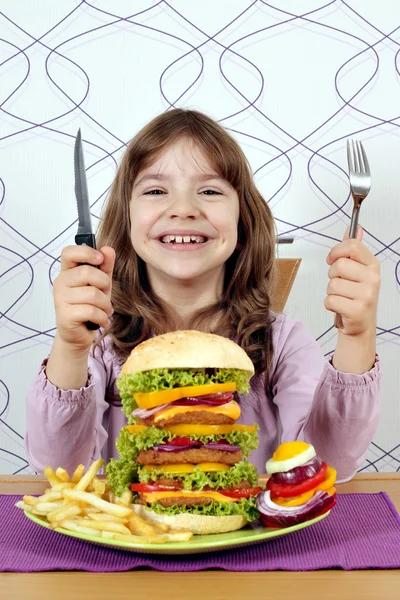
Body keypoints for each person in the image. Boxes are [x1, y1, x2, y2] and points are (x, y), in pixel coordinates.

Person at [25, 109, 381, 483]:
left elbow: (327, 466)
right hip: (133, 540)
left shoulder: (283, 342)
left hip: (248, 539)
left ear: (242, 222)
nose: (183, 209)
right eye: (156, 191)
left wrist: (357, 336)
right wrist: (70, 347)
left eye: (209, 191)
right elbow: (61, 470)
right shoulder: (100, 342)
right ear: (127, 219)